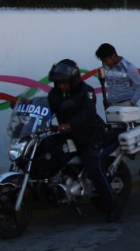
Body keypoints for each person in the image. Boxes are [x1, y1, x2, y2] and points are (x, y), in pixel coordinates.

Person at [48, 59, 121, 222]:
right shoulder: (54, 94)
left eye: (64, 83)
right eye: (58, 83)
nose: (61, 86)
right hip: (68, 136)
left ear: (73, 80)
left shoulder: (86, 91)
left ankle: (113, 207)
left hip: (89, 135)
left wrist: (69, 124)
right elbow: (47, 109)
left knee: (94, 168)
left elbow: (88, 112)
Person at [95, 43, 140, 175]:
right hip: (113, 104)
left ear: (113, 56)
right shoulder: (106, 66)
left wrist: (132, 102)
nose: (105, 63)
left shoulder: (128, 67)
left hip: (127, 104)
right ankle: (121, 171)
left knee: (131, 137)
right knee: (116, 137)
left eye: (106, 60)